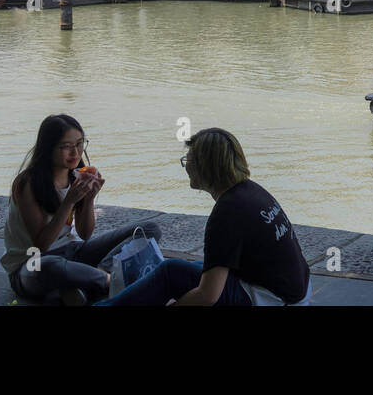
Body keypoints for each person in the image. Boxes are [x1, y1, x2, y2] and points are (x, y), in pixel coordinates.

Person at [100, 128, 310, 306]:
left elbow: (208, 295)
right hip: (294, 291)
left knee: (170, 272)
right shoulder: (251, 191)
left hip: (273, 299)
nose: (186, 166)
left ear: (206, 166)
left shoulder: (228, 211)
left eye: (189, 160)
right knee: (185, 268)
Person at [1, 114, 161, 305]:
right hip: (31, 264)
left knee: (149, 230)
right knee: (50, 266)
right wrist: (68, 202)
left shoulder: (75, 176)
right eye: (66, 146)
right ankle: (108, 282)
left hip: (72, 252)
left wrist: (89, 199)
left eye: (79, 143)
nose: (75, 152)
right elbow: (41, 245)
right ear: (48, 147)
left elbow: (85, 234)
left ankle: (96, 277)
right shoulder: (27, 183)